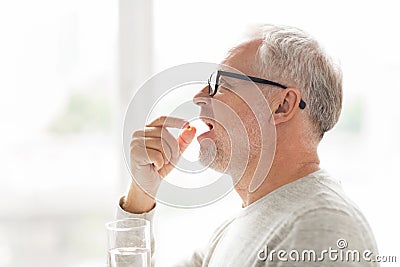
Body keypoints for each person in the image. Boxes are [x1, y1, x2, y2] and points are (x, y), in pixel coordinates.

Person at [116, 24, 379, 266]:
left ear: (282, 106)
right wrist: (141, 193)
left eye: (222, 84)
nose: (198, 97)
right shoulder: (236, 229)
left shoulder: (322, 226)